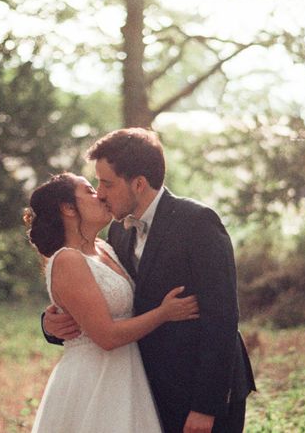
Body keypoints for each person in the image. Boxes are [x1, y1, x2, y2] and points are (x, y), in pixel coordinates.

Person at [43, 128, 256, 433]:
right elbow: (109, 299)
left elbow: (222, 319)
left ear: (139, 183)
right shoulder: (117, 232)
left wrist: (205, 407)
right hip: (151, 391)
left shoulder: (197, 222)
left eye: (107, 183)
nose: (100, 193)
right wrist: (50, 325)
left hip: (202, 392)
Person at [25, 172, 201, 433]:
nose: (100, 195)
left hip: (128, 375)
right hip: (94, 380)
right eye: (89, 190)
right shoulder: (67, 260)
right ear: (68, 208)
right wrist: (164, 313)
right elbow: (106, 336)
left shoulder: (106, 247)